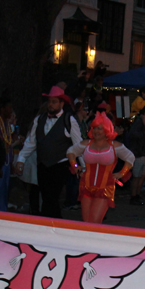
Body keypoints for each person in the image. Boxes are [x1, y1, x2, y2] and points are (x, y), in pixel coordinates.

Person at [16, 85, 83, 218]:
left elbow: (78, 145)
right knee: (47, 197)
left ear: (61, 103)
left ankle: (49, 223)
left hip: (60, 164)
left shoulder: (69, 120)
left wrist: (84, 167)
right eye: (49, 101)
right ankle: (53, 222)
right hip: (42, 164)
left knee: (52, 196)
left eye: (54, 102)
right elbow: (31, 143)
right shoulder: (39, 119)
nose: (51, 105)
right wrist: (21, 160)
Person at [66, 112, 135, 223]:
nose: (96, 131)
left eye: (100, 129)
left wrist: (121, 173)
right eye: (94, 128)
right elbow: (71, 152)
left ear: (107, 130)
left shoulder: (115, 146)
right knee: (86, 222)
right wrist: (75, 166)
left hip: (104, 188)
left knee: (94, 221)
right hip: (86, 186)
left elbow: (130, 157)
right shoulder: (86, 144)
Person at [126, 103, 145, 205]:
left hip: (143, 152)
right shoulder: (139, 121)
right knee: (137, 176)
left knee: (142, 175)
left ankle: (137, 195)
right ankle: (134, 196)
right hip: (138, 152)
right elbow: (133, 134)